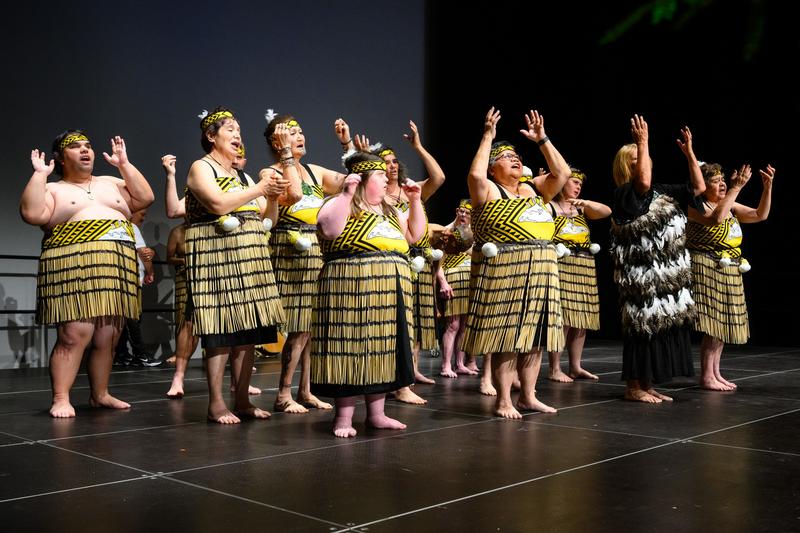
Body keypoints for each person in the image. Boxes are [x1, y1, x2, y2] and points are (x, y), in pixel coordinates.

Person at [20, 131, 154, 417]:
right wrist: (40, 175)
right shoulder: (54, 189)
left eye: (88, 146)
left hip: (116, 264)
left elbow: (145, 198)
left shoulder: (113, 183)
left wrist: (124, 164)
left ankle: (100, 394)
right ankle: (60, 397)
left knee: (109, 335)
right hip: (73, 263)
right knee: (74, 334)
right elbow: (32, 214)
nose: (85, 151)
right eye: (76, 147)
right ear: (59, 158)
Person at [184, 107, 295, 423]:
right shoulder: (201, 168)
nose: (237, 135)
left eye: (239, 130)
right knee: (220, 332)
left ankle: (243, 399)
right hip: (216, 258)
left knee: (248, 333)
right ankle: (217, 403)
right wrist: (261, 188)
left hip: (250, 259)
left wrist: (272, 197)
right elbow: (217, 204)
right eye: (230, 129)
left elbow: (268, 221)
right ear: (211, 136)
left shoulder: (242, 176)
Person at [461, 108, 571, 418]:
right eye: (505, 156)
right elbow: (474, 175)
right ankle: (504, 400)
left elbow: (562, 174)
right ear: (493, 168)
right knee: (507, 337)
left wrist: (542, 140)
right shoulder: (488, 191)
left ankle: (528, 396)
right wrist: (487, 137)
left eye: (516, 156)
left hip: (540, 271)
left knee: (535, 338)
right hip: (505, 271)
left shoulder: (534, 189)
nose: (514, 158)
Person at [311, 151, 426, 437]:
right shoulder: (341, 203)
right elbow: (329, 228)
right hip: (351, 289)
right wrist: (347, 194)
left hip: (389, 291)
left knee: (382, 352)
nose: (388, 180)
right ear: (360, 180)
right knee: (349, 348)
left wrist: (414, 201)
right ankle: (344, 418)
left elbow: (415, 236)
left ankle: (377, 414)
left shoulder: (390, 210)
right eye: (380, 176)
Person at [609, 116, 705, 403]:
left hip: (667, 278)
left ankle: (648, 383)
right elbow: (643, 181)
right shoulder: (626, 194)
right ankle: (634, 386)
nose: (644, 162)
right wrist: (643, 141)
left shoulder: (661, 191)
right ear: (627, 166)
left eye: (645, 158)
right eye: (637, 159)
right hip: (642, 280)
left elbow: (699, 189)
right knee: (642, 328)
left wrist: (689, 154)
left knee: (661, 327)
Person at [261, 113, 352, 414]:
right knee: (298, 324)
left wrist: (346, 144)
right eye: (290, 133)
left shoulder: (313, 172)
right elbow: (291, 195)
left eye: (300, 132)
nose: (298, 137)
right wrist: (286, 156)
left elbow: (350, 182)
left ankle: (306, 390)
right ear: (277, 142)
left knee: (311, 326)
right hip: (289, 249)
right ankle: (283, 393)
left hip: (316, 249)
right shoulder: (271, 172)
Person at [355, 120, 446, 404]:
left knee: (414, 321)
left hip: (417, 259)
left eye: (395, 161)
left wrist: (418, 146)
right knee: (396, 323)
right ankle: (396, 380)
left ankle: (409, 374)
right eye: (385, 163)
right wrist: (364, 156)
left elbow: (439, 177)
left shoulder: (411, 189)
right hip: (391, 260)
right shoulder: (374, 198)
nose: (392, 166)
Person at [686, 162, 775, 390]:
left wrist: (767, 187)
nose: (723, 184)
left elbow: (759, 215)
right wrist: (736, 188)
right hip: (707, 266)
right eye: (715, 181)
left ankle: (715, 372)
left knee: (723, 322)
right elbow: (716, 218)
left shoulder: (730, 206)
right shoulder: (696, 206)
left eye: (723, 179)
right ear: (702, 185)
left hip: (730, 268)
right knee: (713, 323)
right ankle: (706, 376)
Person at [547, 168, 610, 382]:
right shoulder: (551, 207)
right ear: (562, 182)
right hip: (562, 264)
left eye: (580, 184)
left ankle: (575, 366)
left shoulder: (582, 210)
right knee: (563, 318)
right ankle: (555, 368)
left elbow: (606, 211)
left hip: (584, 264)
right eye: (574, 182)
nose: (577, 186)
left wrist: (586, 203)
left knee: (581, 319)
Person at [114, 207, 162, 367]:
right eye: (141, 215)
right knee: (132, 319)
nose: (143, 218)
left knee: (123, 319)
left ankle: (122, 354)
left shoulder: (115, 227)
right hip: (130, 279)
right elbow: (143, 252)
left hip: (119, 279)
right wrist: (150, 271)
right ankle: (139, 355)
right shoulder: (131, 227)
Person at [436, 200, 476, 378]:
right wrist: (443, 282)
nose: (463, 215)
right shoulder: (447, 231)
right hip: (453, 278)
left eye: (467, 213)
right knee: (452, 324)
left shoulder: (475, 232)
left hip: (470, 279)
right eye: (461, 211)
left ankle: (459, 363)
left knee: (465, 325)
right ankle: (445, 366)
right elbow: (438, 261)